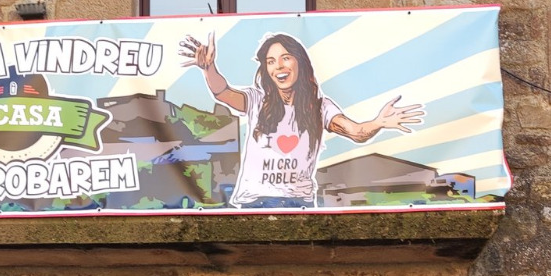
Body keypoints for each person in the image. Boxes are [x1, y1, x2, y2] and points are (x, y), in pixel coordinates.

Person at [179, 30, 424, 208]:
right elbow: (223, 93)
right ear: (266, 70)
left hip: (299, 204)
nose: (279, 66)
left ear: (299, 62)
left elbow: (356, 132)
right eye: (271, 61)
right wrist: (208, 69)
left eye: (286, 58)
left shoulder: (319, 107)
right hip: (256, 203)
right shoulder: (257, 100)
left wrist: (378, 123)